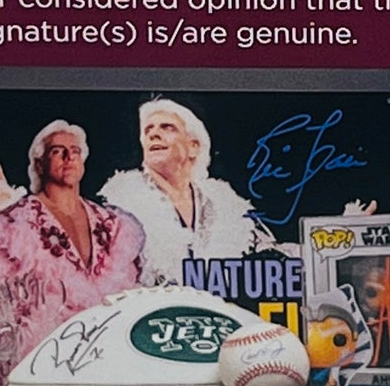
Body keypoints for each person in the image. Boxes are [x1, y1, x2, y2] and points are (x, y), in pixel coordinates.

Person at [0, 120, 145, 358]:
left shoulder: (113, 225)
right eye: (58, 151)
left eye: (75, 151)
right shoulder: (13, 221)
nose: (69, 156)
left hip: (107, 357)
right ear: (39, 163)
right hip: (40, 359)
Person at [96, 98, 277, 285]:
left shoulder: (227, 205)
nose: (153, 134)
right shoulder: (118, 205)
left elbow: (273, 258)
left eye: (167, 127)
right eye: (148, 130)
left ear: (193, 146)